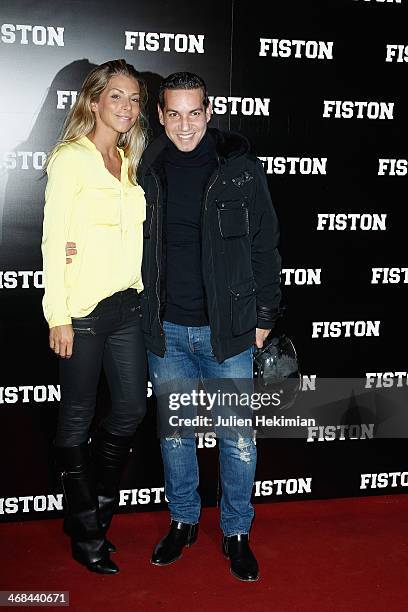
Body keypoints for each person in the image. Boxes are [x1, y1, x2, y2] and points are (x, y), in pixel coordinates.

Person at [137, 72, 281, 582]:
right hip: (167, 331)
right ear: (159, 115)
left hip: (229, 332)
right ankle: (184, 521)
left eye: (193, 112)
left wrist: (263, 319)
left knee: (238, 438)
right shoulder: (145, 166)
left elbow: (265, 246)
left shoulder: (240, 169)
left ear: (209, 110)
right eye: (173, 114)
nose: (184, 125)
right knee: (175, 435)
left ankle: (236, 530)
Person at [42, 59, 148, 574]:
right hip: (82, 312)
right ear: (93, 101)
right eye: (117, 97)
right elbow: (51, 239)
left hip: (128, 307)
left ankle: (94, 514)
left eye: (134, 99)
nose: (127, 107)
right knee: (77, 420)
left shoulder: (130, 162)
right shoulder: (71, 160)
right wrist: (57, 314)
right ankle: (87, 532)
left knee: (130, 409)